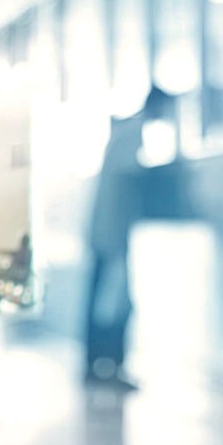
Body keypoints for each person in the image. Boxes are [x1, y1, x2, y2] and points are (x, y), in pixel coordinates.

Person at [84, 85, 173, 391]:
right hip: (112, 233)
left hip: (105, 230)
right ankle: (109, 367)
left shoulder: (124, 130)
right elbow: (131, 174)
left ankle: (98, 367)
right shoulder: (133, 133)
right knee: (114, 303)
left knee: (102, 300)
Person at [0, 233, 32, 309]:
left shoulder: (24, 252)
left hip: (16, 274)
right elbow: (11, 253)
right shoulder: (26, 252)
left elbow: (11, 254)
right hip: (17, 274)